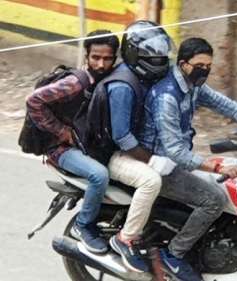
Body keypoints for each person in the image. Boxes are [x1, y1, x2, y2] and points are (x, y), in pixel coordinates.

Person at [139, 37, 237, 281]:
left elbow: (226, 106)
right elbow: (174, 151)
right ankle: (174, 255)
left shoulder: (193, 84)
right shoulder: (166, 95)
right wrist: (214, 164)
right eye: (200, 65)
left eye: (209, 66)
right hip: (160, 165)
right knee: (214, 199)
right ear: (182, 64)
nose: (205, 70)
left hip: (177, 160)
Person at [87, 21, 173, 273]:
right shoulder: (123, 86)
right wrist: (151, 160)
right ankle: (126, 238)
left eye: (160, 55)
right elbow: (122, 136)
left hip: (127, 149)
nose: (157, 60)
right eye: (151, 56)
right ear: (135, 54)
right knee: (151, 181)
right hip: (111, 154)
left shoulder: (138, 76)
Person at [27, 30, 120, 254]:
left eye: (107, 58)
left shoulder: (107, 79)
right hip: (60, 149)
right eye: (95, 57)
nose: (101, 64)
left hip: (83, 144)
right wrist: (60, 131)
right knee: (99, 175)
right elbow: (34, 101)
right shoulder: (76, 82)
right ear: (86, 56)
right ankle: (83, 226)